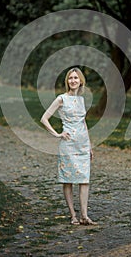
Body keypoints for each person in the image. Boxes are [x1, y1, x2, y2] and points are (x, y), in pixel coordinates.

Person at [40, 67, 96, 225]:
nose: (73, 81)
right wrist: (57, 134)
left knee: (84, 180)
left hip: (83, 145)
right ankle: (73, 215)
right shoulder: (61, 99)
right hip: (68, 145)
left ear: (80, 81)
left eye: (76, 78)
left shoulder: (82, 100)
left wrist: (89, 145)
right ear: (67, 81)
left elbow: (83, 122)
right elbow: (44, 118)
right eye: (70, 78)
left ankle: (84, 216)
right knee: (68, 180)